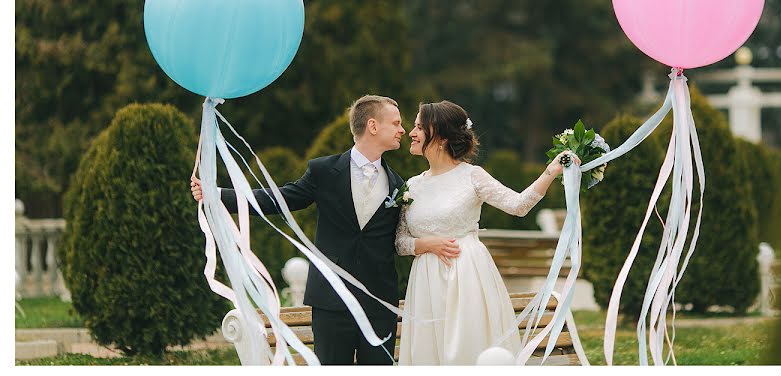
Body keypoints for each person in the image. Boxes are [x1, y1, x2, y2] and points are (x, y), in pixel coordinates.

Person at [190, 94, 406, 365]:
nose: (402, 130)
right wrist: (217, 194)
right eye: (396, 123)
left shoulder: (399, 185)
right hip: (330, 302)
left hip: (379, 303)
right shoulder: (324, 171)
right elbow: (280, 199)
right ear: (373, 126)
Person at [395, 100, 576, 365]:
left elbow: (518, 206)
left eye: (419, 127)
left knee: (469, 345)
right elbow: (400, 241)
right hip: (426, 283)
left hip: (467, 275)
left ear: (441, 136)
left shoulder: (473, 176)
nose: (411, 133)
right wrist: (426, 245)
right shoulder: (411, 186)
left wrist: (550, 171)